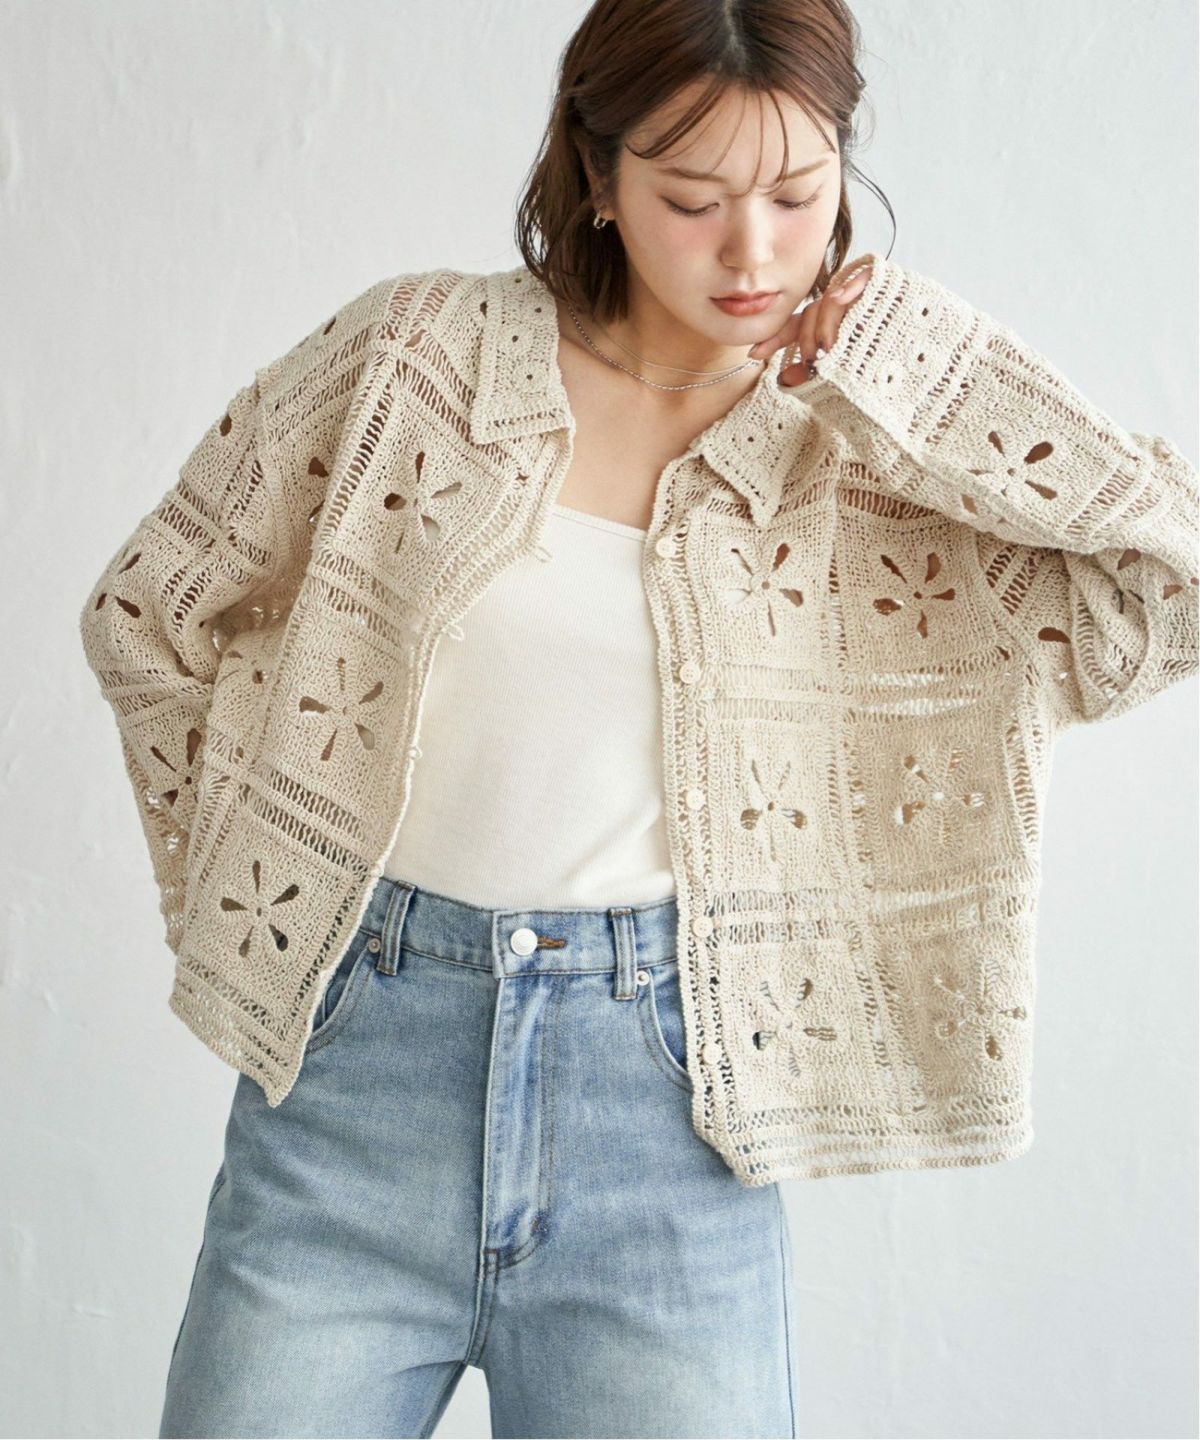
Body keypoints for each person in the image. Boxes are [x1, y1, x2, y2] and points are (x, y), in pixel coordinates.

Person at [77, 1, 1197, 1437]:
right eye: (694, 199)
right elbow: (153, 606)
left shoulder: (868, 447)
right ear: (598, 178)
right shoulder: (418, 357)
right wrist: (256, 880)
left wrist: (927, 363)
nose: (754, 252)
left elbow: (1169, 583)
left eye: (797, 193)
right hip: (357, 1089)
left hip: (669, 1122)